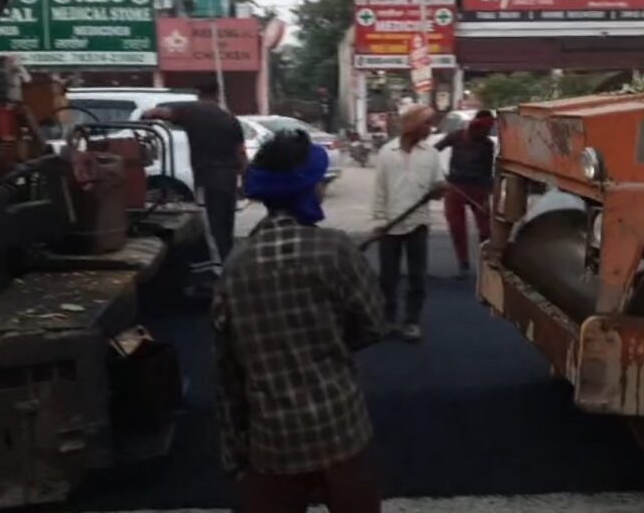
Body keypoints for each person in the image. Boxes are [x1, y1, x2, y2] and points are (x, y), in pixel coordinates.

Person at [213, 129, 386, 513]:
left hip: (273, 441)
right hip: (340, 427)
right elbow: (373, 326)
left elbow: (228, 370)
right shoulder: (337, 250)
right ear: (308, 190)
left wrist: (234, 452)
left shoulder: (235, 267)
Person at [142, 82, 247, 262]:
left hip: (206, 177)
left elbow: (161, 113)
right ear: (218, 95)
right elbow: (241, 153)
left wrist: (147, 115)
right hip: (228, 178)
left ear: (199, 94)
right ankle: (228, 258)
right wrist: (244, 177)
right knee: (226, 221)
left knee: (211, 223)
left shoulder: (192, 111)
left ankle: (219, 264)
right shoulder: (230, 119)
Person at [372, 104, 446, 342]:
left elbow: (437, 185)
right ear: (411, 124)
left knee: (417, 277)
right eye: (426, 123)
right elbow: (380, 191)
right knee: (388, 277)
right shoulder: (386, 153)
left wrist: (439, 190)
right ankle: (388, 319)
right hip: (390, 223)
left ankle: (411, 321)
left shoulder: (431, 154)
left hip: (418, 223)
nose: (430, 128)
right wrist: (379, 220)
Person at [434, 110, 496, 279]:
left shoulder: (487, 145)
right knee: (457, 228)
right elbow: (433, 151)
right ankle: (464, 264)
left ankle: (488, 265)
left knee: (485, 230)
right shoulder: (457, 136)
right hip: (455, 187)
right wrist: (438, 174)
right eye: (482, 128)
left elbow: (488, 171)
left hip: (478, 189)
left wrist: (487, 197)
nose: (484, 132)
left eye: (487, 129)